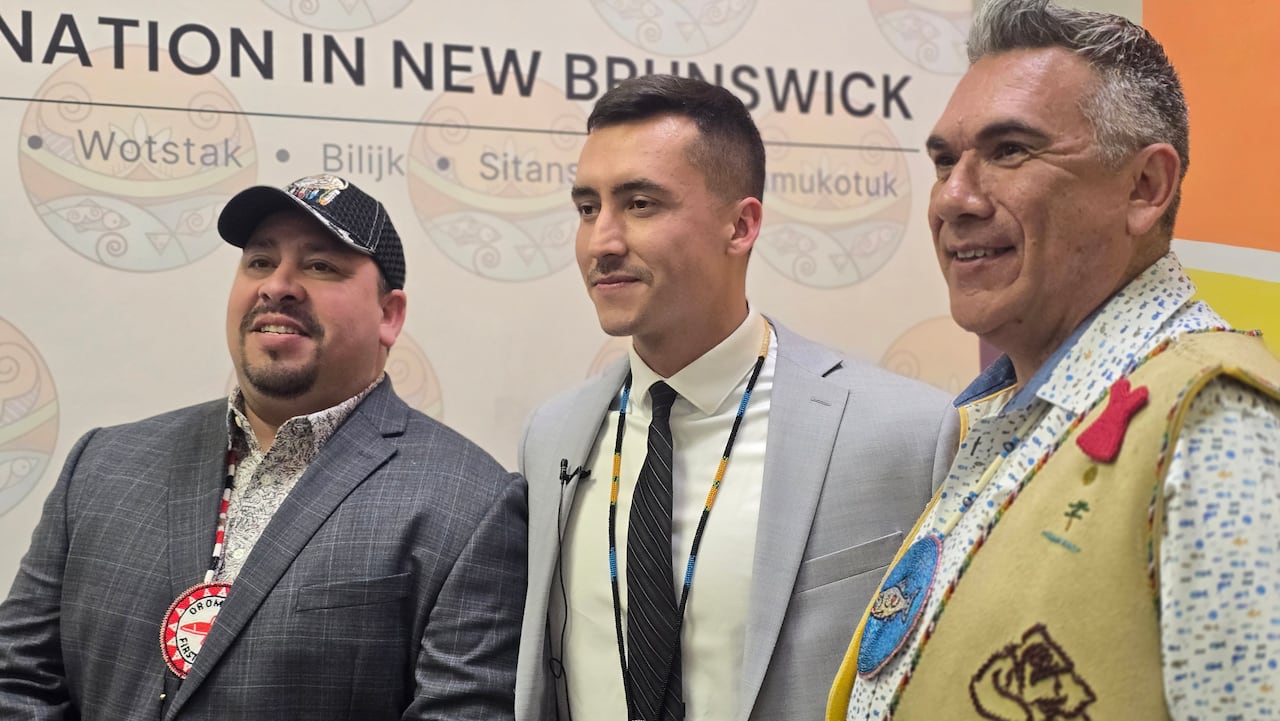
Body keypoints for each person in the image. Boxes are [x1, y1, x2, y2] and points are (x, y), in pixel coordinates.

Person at [827, 2, 1280, 720]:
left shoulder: (1212, 423)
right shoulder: (1016, 410)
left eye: (1009, 151)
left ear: (1145, 189)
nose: (954, 198)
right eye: (945, 161)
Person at [0, 173, 528, 720]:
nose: (277, 285)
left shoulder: (472, 505)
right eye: (259, 261)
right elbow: (18, 681)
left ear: (389, 315)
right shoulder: (102, 464)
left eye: (321, 266)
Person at [514, 74, 958, 721]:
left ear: (741, 224)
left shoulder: (903, 434)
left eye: (639, 204)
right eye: (587, 208)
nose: (602, 241)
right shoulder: (551, 435)